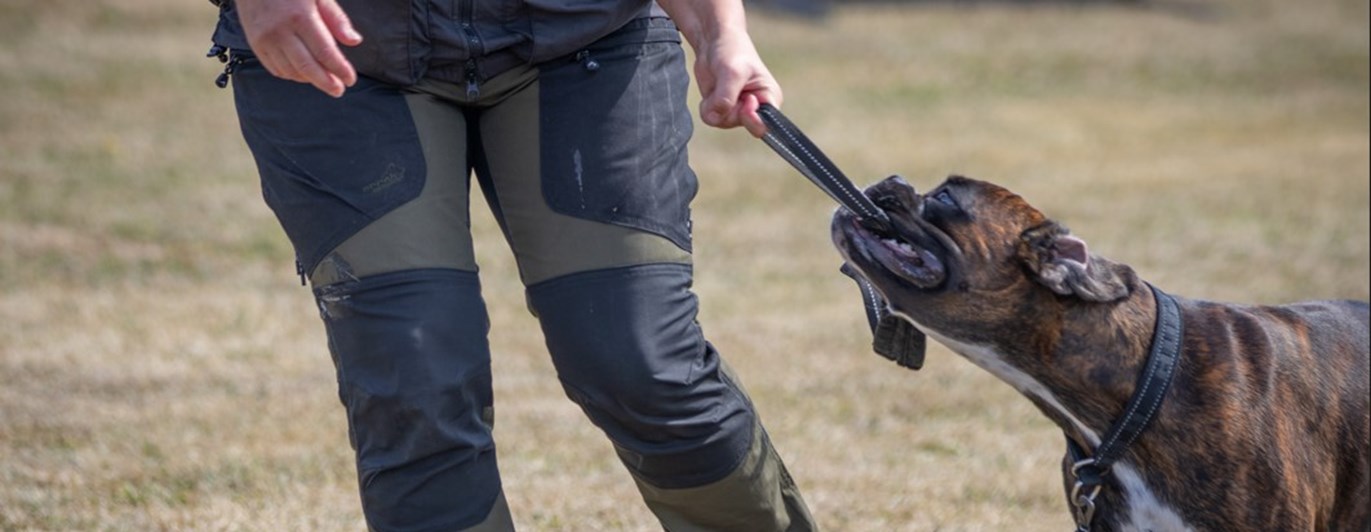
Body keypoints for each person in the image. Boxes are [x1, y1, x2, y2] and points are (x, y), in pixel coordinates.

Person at [209, 0, 817, 529]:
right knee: (414, 379)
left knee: (638, 361)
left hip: (585, 37)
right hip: (340, 52)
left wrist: (720, 31)